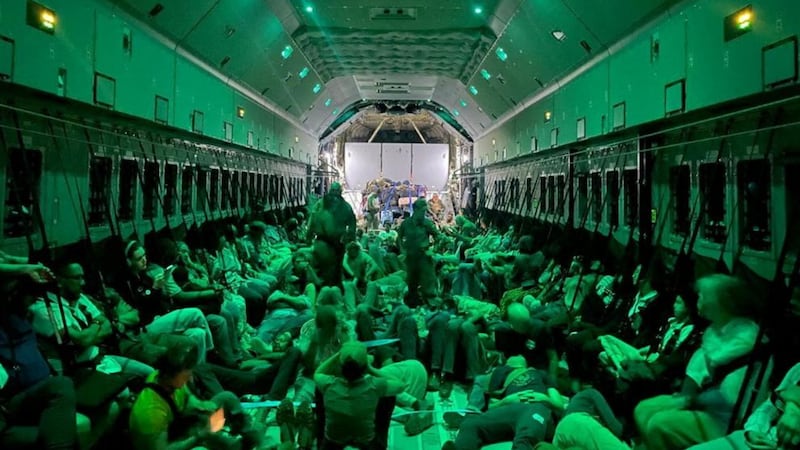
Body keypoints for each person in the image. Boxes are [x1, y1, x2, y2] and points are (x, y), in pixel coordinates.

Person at [128, 340, 265, 450]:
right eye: (186, 373)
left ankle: (248, 436)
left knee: (227, 397)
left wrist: (201, 406)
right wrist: (199, 436)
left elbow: (187, 399)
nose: (190, 377)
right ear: (172, 374)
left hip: (181, 426)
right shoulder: (151, 412)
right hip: (168, 442)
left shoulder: (164, 378)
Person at [0, 276, 79, 450]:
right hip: (9, 406)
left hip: (37, 390)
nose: (32, 300)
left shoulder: (23, 320)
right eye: (26, 295)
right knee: (61, 386)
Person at [313, 341, 404, 449]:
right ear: (364, 366)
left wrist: (337, 355)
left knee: (319, 389)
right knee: (389, 395)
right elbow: (400, 385)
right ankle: (382, 442)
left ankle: (320, 442)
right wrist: (371, 368)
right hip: (366, 441)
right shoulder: (374, 385)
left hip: (333, 440)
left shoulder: (328, 383)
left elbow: (317, 373)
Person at [308, 182, 357, 288]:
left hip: (327, 244)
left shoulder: (320, 204)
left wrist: (308, 238)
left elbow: (311, 222)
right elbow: (352, 227)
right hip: (330, 243)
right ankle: (330, 295)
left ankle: (327, 296)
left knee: (329, 273)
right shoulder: (344, 206)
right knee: (331, 274)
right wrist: (350, 239)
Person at [397, 198, 442, 307]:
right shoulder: (406, 223)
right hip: (410, 256)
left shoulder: (427, 223)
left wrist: (434, 250)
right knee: (411, 281)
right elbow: (399, 238)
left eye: (425, 211)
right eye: (422, 211)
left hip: (424, 256)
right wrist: (402, 251)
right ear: (415, 210)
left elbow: (438, 236)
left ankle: (430, 303)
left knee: (427, 280)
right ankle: (413, 303)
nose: (424, 213)